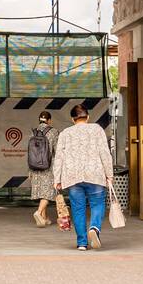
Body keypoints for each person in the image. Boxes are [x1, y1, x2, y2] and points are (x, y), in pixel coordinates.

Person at [50, 104, 114, 251]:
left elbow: (59, 157)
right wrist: (109, 175)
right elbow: (105, 153)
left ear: (73, 119)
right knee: (97, 204)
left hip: (72, 176)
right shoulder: (97, 129)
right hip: (95, 174)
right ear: (88, 117)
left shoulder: (65, 133)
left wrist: (57, 179)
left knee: (78, 208)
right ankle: (94, 228)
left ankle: (82, 243)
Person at [28, 110, 60, 227]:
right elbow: (57, 151)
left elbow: (30, 153)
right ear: (49, 120)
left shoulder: (33, 132)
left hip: (35, 167)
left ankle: (44, 218)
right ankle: (38, 212)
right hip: (48, 166)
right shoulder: (54, 132)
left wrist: (30, 171)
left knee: (42, 193)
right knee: (48, 193)